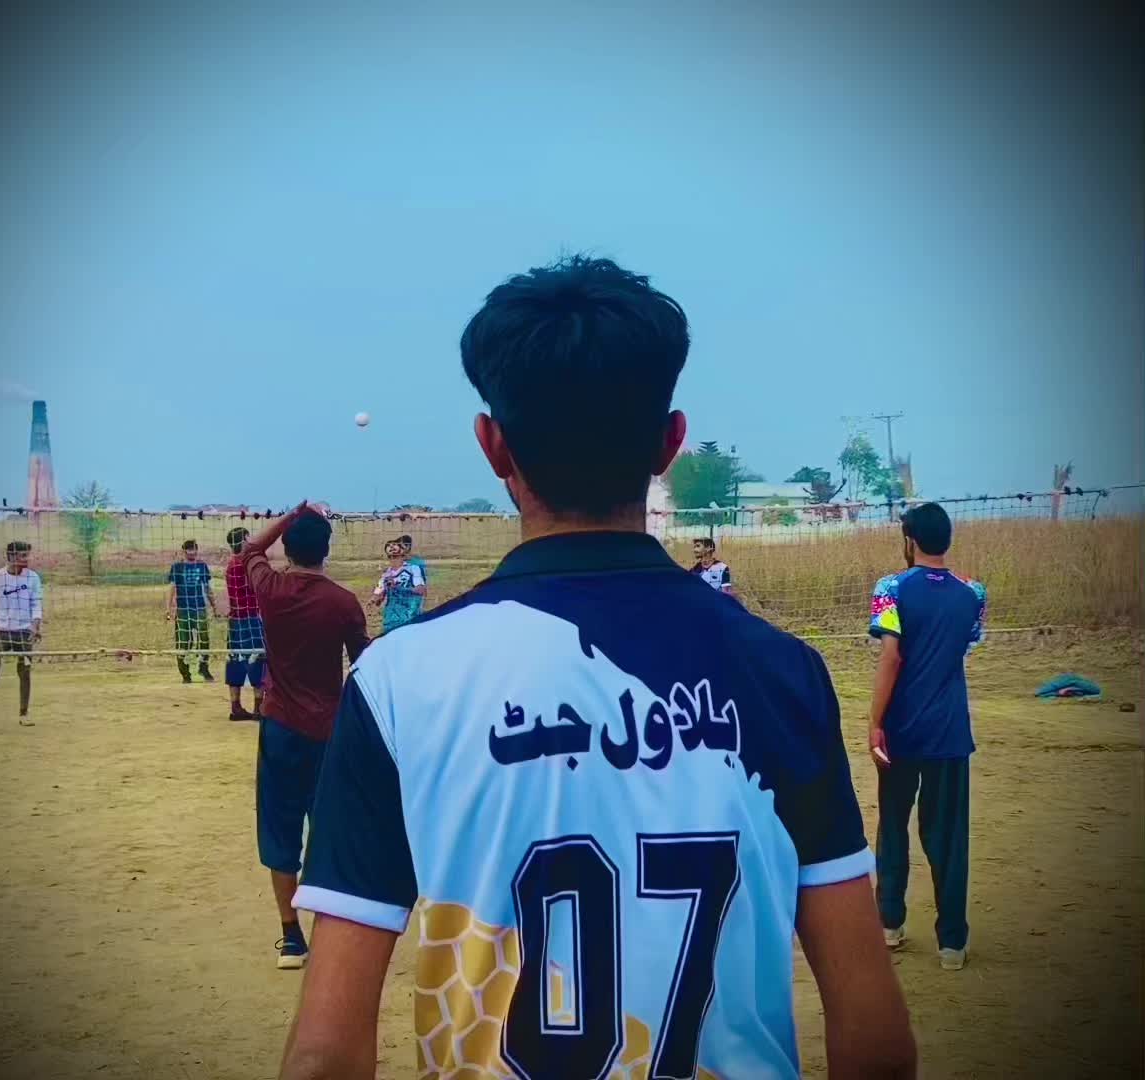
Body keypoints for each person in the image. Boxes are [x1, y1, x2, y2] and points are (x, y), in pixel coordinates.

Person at [282, 256, 916, 1079]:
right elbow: (874, 1037)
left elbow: (326, 1054)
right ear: (670, 442)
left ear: (493, 446)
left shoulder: (399, 683)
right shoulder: (782, 673)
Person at [240, 504, 369, 971]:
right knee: (331, 831)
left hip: (280, 727)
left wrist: (294, 512)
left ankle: (291, 938)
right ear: (326, 551)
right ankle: (332, 933)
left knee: (280, 830)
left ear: (288, 550)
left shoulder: (271, 589)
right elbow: (363, 662)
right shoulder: (343, 602)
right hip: (329, 730)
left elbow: (248, 549)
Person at [867, 501, 987, 972]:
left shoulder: (890, 588)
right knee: (949, 837)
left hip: (901, 728)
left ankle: (889, 923)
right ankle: (952, 942)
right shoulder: (973, 592)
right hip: (950, 731)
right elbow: (963, 645)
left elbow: (891, 657)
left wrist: (875, 721)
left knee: (893, 824)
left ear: (910, 540)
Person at [0, 541, 43, 732]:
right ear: (11, 557)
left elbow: (36, 605)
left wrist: (35, 626)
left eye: (27, 555)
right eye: (22, 555)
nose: (27, 559)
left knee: (25, 672)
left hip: (24, 631)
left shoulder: (33, 577)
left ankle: (24, 714)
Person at [223, 526, 265, 721]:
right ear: (243, 542)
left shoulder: (231, 564)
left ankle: (236, 707)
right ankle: (258, 708)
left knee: (235, 659)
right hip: (250, 618)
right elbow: (258, 586)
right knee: (258, 659)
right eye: (249, 538)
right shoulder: (245, 564)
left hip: (235, 619)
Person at [166, 539, 218, 683]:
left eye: (194, 549)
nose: (192, 552)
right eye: (189, 549)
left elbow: (207, 587)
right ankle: (185, 673)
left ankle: (203, 667)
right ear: (184, 551)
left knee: (204, 639)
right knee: (184, 642)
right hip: (183, 610)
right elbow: (171, 588)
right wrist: (168, 609)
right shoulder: (177, 567)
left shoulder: (202, 566)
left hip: (199, 608)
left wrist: (214, 606)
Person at [371, 539, 427, 632]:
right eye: (389, 545)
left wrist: (398, 588)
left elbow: (421, 590)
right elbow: (378, 600)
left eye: (394, 544)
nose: (391, 546)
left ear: (402, 551)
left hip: (409, 616)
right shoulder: (385, 575)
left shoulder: (413, 568)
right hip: (390, 619)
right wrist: (375, 598)